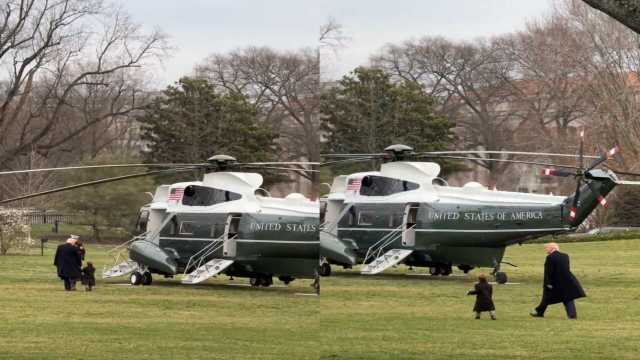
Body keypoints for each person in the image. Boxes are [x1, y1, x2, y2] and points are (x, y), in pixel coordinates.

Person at [530, 242, 586, 319]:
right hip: (567, 280)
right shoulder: (565, 256)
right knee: (568, 298)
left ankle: (539, 311)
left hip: (554, 281)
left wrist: (547, 283)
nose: (546, 250)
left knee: (546, 298)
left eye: (547, 248)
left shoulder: (550, 257)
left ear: (552, 248)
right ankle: (572, 315)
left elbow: (548, 272)